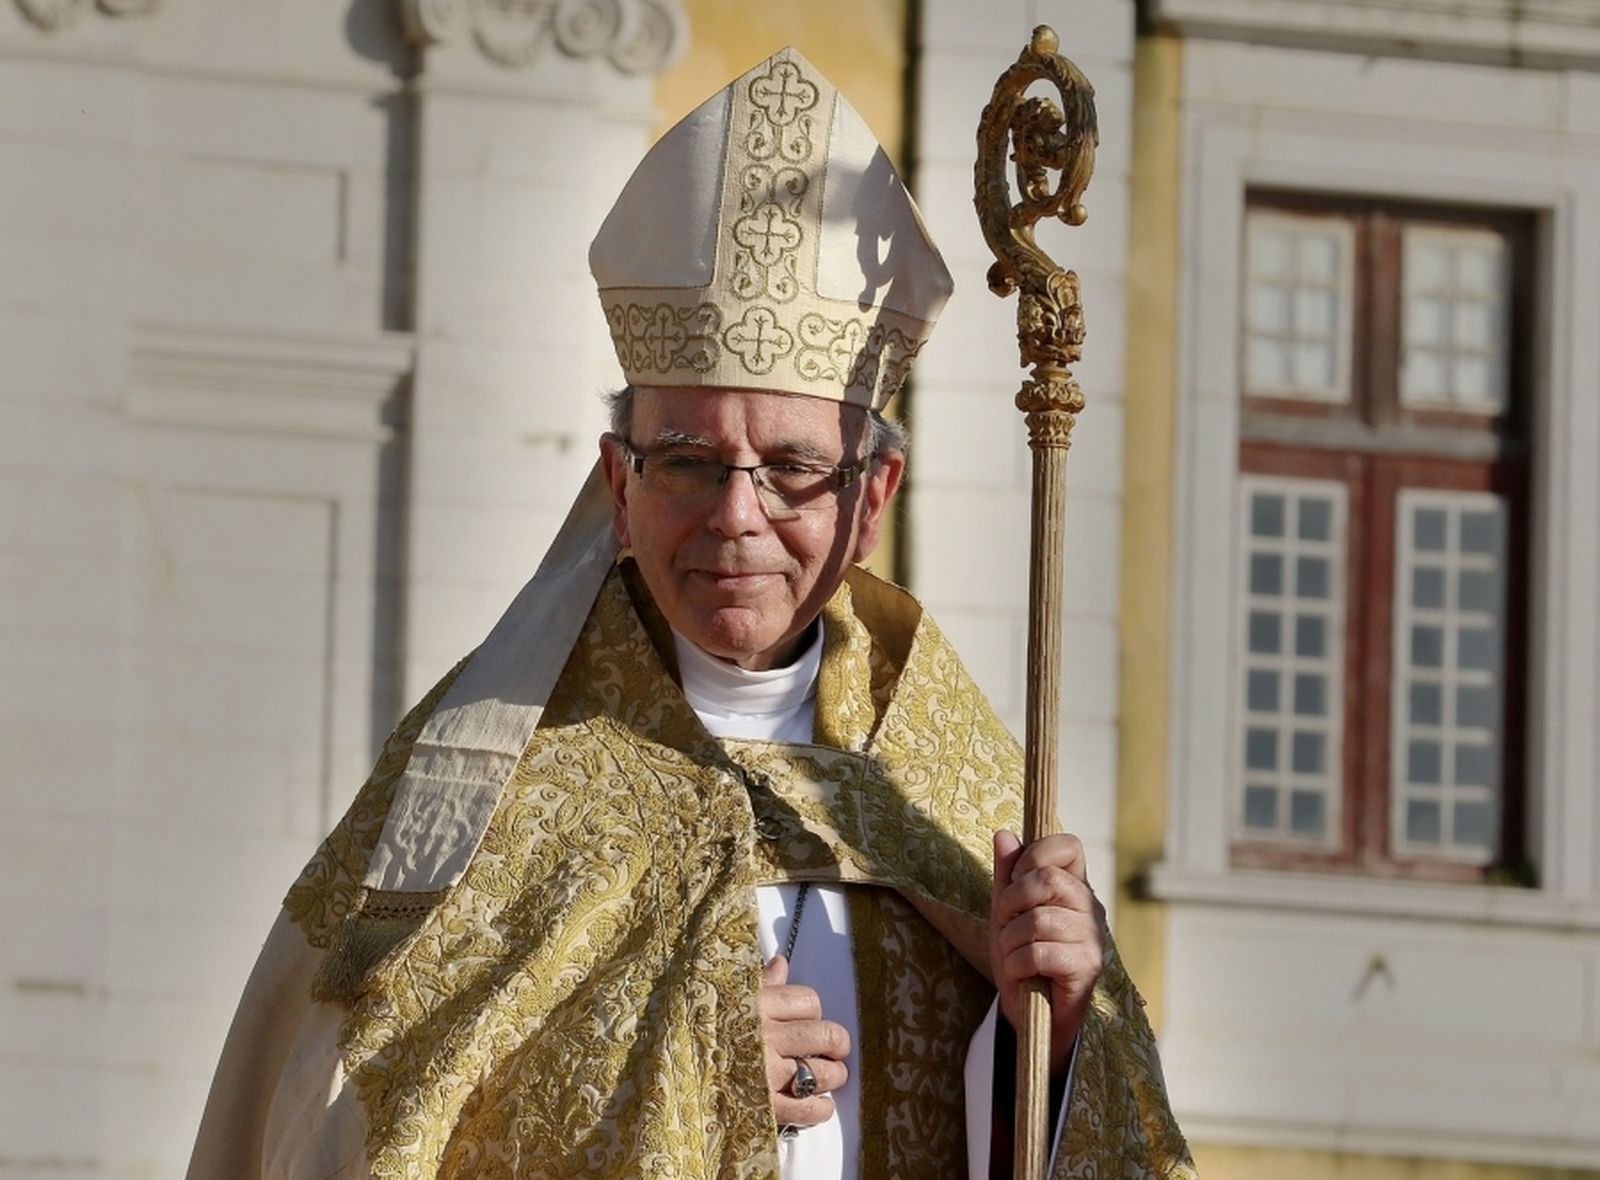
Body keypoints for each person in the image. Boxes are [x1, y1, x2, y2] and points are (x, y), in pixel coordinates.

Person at [187, 47, 1194, 1180]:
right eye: (688, 460)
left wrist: (1047, 1041)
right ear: (619, 486)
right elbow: (338, 1129)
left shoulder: (950, 797)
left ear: (871, 501)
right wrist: (665, 1070)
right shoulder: (485, 781)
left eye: (793, 469)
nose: (737, 517)